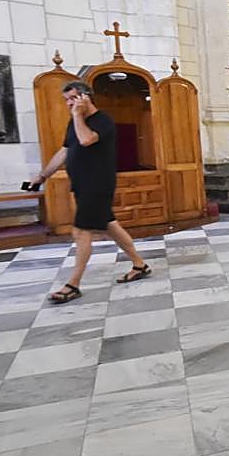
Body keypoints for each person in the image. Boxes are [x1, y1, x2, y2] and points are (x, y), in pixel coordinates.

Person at [29, 81, 150, 303]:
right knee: (110, 225)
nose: (68, 104)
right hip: (83, 185)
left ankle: (73, 284)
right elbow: (64, 151)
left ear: (86, 97)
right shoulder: (72, 123)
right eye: (66, 100)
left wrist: (77, 115)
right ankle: (139, 265)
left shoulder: (103, 120)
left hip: (97, 185)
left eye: (72, 99)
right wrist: (42, 176)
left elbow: (86, 140)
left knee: (81, 231)